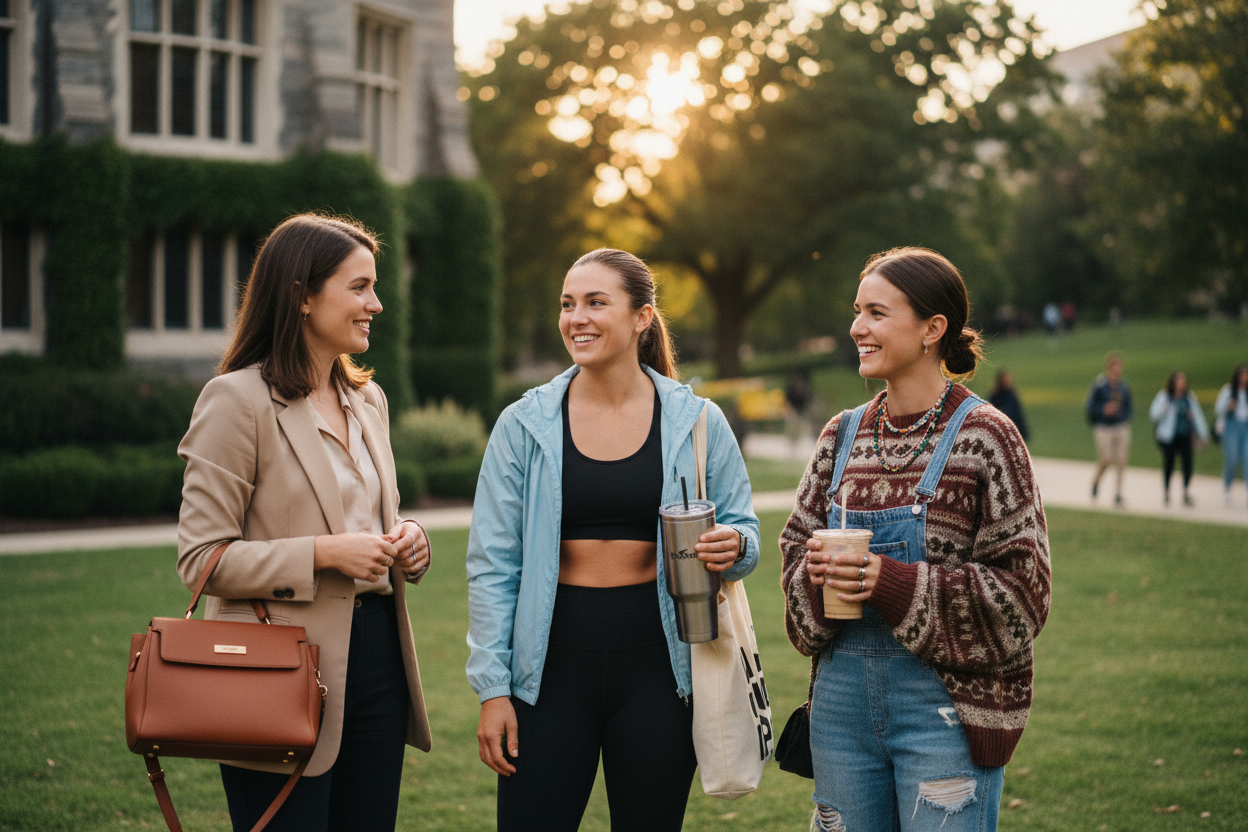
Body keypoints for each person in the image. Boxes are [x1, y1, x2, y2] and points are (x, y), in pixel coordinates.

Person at [466, 248, 760, 832]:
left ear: (641, 317)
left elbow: (745, 529)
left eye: (596, 302)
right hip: (546, 673)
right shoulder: (522, 424)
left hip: (660, 669)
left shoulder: (697, 420)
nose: (577, 317)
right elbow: (492, 565)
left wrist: (734, 545)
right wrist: (494, 689)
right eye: (568, 304)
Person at [176, 213, 433, 832]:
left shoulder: (368, 400)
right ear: (302, 294)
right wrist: (322, 554)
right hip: (276, 671)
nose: (376, 303)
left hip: (378, 664)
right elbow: (201, 558)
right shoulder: (236, 401)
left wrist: (409, 540)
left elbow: (367, 517)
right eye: (359, 287)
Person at [780, 247, 1051, 832]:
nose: (857, 327)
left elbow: (1022, 598)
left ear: (933, 329)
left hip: (944, 709)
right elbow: (793, 558)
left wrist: (889, 582)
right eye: (857, 311)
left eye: (876, 313)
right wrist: (816, 575)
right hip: (838, 710)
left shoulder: (986, 438)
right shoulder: (839, 437)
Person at [1148, 371, 1209, 507]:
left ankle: (1186, 491)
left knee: (1187, 464)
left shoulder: (1188, 398)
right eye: (1178, 381)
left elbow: (1197, 416)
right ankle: (1167, 491)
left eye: (1183, 381)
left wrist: (1203, 434)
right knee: (1169, 464)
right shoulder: (1165, 397)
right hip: (1169, 437)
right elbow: (1153, 415)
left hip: (1185, 436)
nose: (1181, 384)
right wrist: (1164, 410)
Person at [1086, 352, 1133, 506]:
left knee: (1121, 460)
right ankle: (1096, 481)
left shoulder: (1123, 387)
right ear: (1109, 368)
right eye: (1114, 367)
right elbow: (1090, 406)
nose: (1117, 371)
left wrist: (1122, 414)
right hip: (1103, 427)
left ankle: (1118, 493)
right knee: (1105, 459)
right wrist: (1103, 410)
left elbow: (1129, 408)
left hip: (1120, 426)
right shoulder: (1100, 385)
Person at [1214, 364, 1248, 507]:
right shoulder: (1228, 390)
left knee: (1247, 461)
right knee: (1232, 460)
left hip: (1246, 429)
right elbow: (1218, 409)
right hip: (1231, 429)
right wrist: (1228, 406)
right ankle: (1227, 489)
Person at [989, 369, 1030, 442]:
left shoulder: (1011, 395)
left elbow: (1017, 414)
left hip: (1013, 429)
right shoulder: (997, 395)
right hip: (1002, 429)